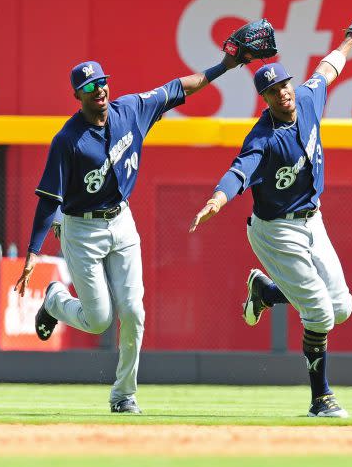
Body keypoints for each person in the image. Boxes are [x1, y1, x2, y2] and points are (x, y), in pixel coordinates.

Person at [14, 50, 249, 414]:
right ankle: (55, 300)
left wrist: (225, 66)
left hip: (121, 221)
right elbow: (49, 200)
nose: (99, 90)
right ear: (78, 95)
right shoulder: (68, 140)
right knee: (99, 320)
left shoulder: (131, 110)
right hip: (81, 229)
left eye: (102, 82)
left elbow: (177, 89)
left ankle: (124, 394)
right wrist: (33, 252)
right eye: (89, 86)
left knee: (133, 312)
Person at [188, 26, 352, 418]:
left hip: (313, 220)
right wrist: (217, 198)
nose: (284, 92)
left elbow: (328, 70)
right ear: (264, 98)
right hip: (276, 231)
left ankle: (267, 291)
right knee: (321, 315)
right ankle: (320, 398)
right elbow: (239, 171)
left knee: (341, 306)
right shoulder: (263, 137)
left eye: (286, 85)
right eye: (274, 90)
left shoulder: (307, 99)